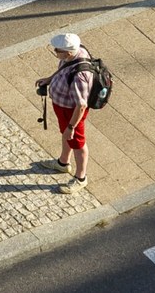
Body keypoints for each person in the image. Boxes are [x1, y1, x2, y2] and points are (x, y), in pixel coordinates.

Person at [34, 33, 93, 193]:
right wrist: (50, 79)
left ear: (68, 52)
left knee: (78, 143)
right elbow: (62, 68)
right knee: (66, 135)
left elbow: (81, 105)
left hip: (72, 112)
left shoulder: (80, 77)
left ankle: (81, 178)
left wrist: (71, 126)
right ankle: (63, 163)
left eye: (57, 50)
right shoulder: (74, 53)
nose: (54, 51)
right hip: (63, 108)